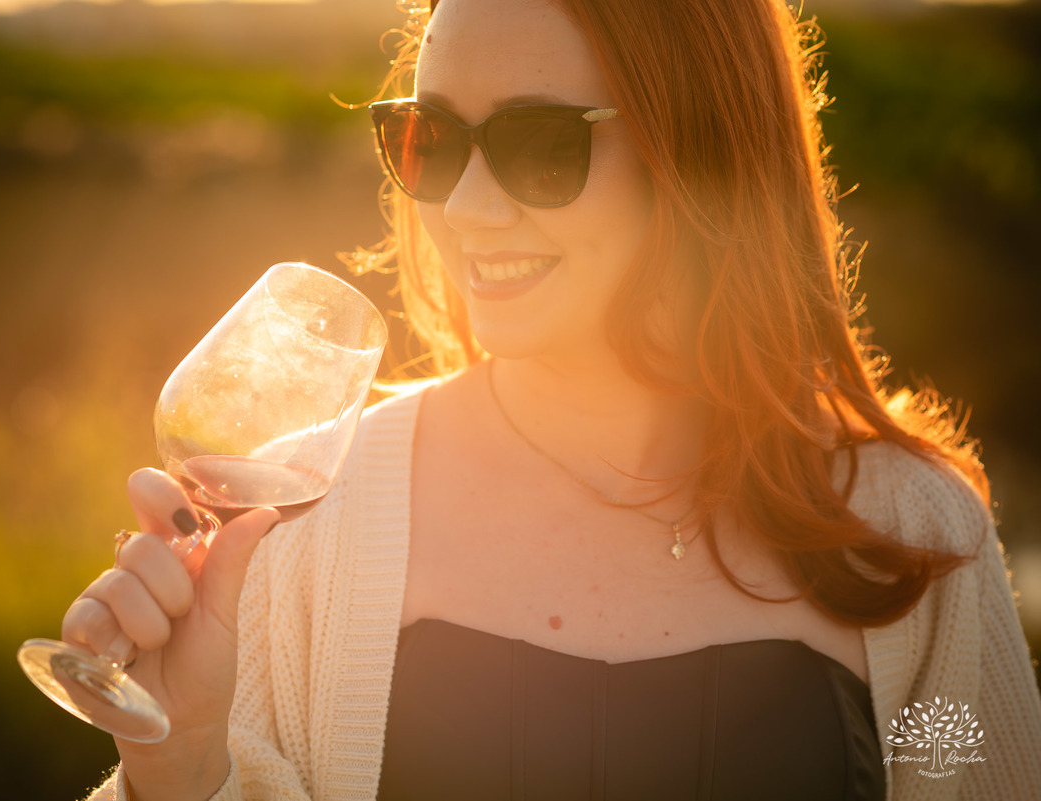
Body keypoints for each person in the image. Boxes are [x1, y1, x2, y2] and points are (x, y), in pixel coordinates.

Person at [64, 0, 1041, 798]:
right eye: (430, 138)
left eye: (541, 145)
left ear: (701, 151)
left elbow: (957, 776)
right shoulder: (308, 523)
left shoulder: (910, 540)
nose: (470, 208)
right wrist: (185, 764)